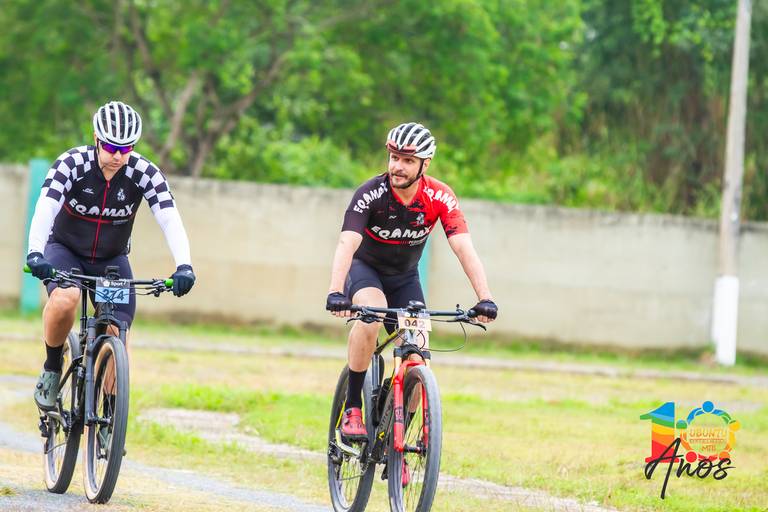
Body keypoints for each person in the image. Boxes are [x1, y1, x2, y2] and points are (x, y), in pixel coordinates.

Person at [325, 122, 498, 440]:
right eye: (394, 157)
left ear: (424, 164)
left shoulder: (439, 196)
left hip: (405, 279)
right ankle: (353, 408)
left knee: (419, 356)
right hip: (366, 271)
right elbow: (347, 243)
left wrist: (484, 297)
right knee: (372, 313)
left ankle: (399, 443)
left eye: (407, 160)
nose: (397, 166)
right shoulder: (371, 193)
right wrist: (336, 291)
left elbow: (463, 247)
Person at [26, 100, 196, 411]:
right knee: (66, 298)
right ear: (96, 139)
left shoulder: (143, 172)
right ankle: (51, 369)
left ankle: (109, 415)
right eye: (111, 147)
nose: (118, 156)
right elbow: (46, 206)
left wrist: (184, 265)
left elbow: (169, 216)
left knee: (118, 331)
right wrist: (35, 253)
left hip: (111, 261)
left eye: (126, 148)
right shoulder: (72, 164)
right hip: (65, 250)